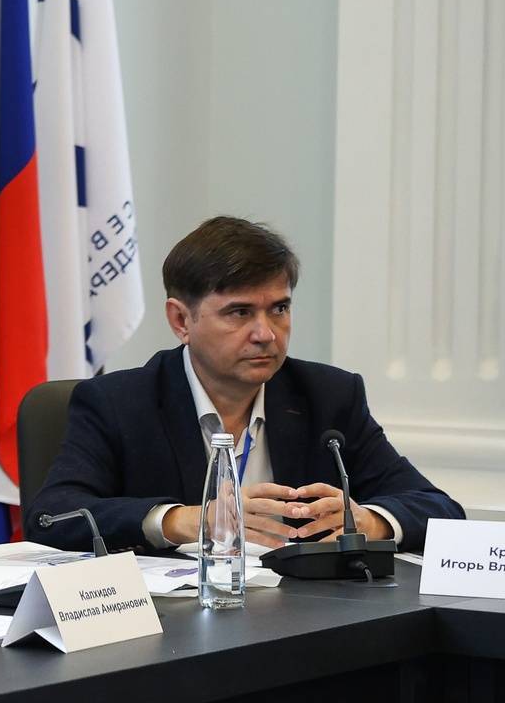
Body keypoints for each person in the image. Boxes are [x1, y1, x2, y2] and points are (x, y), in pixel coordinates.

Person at [32, 216, 461, 554]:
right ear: (181, 320)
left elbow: (439, 509)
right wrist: (187, 520)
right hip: (174, 623)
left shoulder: (328, 396)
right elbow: (52, 516)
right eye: (239, 313)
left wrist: (368, 521)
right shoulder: (119, 403)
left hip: (301, 615)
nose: (266, 334)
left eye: (279, 309)